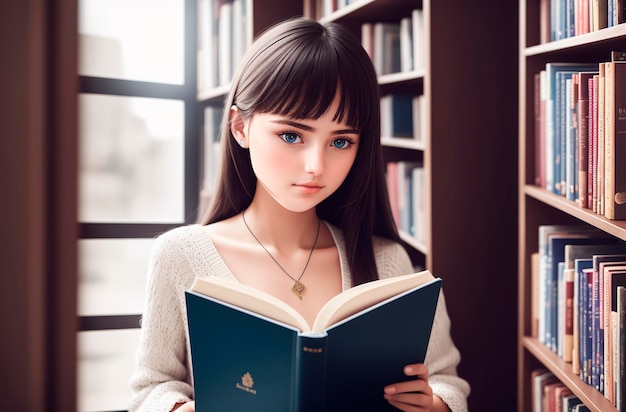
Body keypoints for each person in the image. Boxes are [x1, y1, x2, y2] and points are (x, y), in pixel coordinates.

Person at [129, 16, 470, 412]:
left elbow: (448, 381)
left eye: (341, 141)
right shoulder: (180, 255)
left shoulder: (387, 260)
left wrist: (435, 404)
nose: (316, 166)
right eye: (292, 135)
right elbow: (151, 388)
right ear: (240, 127)